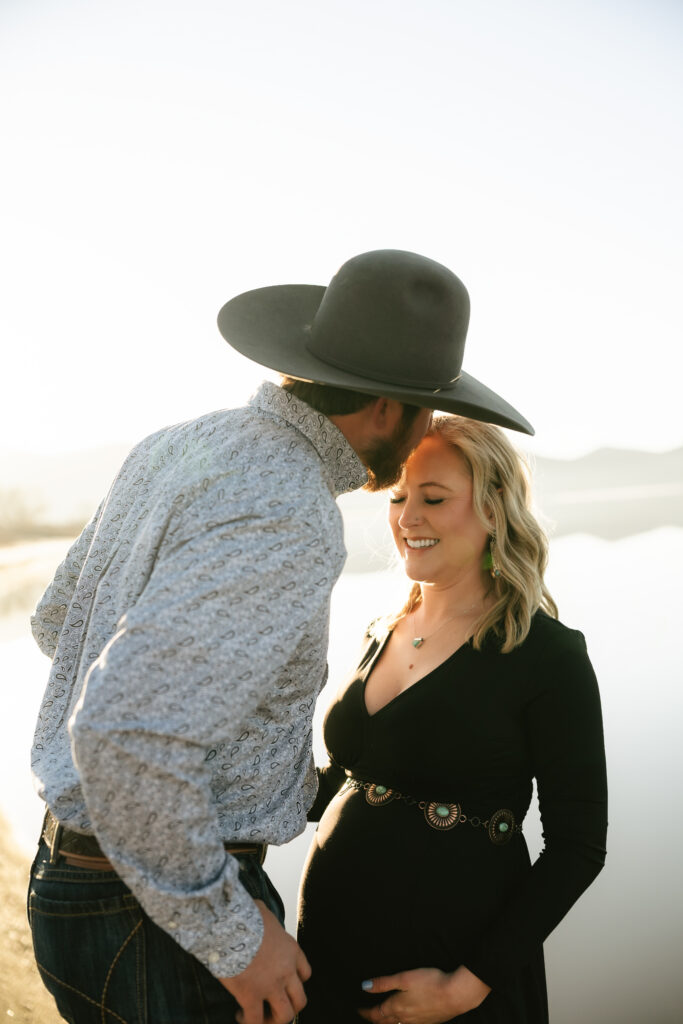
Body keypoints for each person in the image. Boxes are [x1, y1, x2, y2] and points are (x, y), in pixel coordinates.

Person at [27, 249, 533, 1024]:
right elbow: (124, 728)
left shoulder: (177, 444)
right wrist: (233, 937)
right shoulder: (291, 508)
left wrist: (262, 764)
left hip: (75, 883)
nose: (424, 427)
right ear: (387, 409)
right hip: (163, 913)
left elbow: (55, 623)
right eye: (424, 408)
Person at [297, 414, 608, 1023]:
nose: (407, 518)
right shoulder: (379, 632)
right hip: (328, 955)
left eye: (434, 499)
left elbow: (577, 847)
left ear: (494, 509)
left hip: (451, 970)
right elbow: (341, 780)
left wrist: (466, 987)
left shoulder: (546, 655)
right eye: (398, 497)